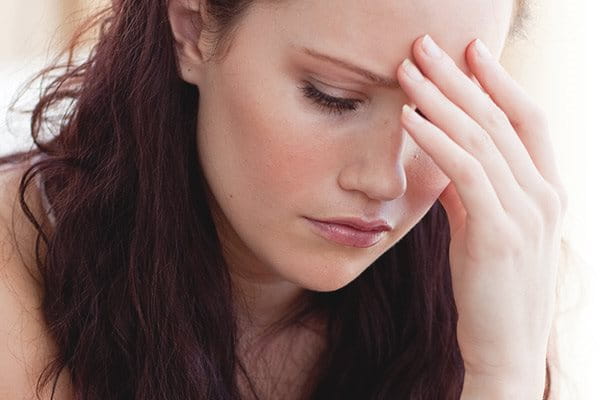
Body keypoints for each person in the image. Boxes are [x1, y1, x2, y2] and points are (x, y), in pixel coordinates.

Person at [0, 0, 570, 398]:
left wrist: (503, 374)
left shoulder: (487, 274)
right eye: (334, 97)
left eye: (439, 114)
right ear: (192, 32)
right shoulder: (15, 280)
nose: (387, 181)